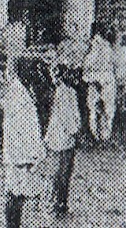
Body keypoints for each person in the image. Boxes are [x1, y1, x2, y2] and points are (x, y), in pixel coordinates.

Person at [4, 56, 48, 228]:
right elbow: (15, 129)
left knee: (19, 194)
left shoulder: (22, 91)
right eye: (31, 71)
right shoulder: (17, 94)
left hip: (23, 154)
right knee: (15, 194)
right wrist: (25, 156)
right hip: (19, 154)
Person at [44, 52, 83, 217]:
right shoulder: (67, 92)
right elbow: (69, 118)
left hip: (58, 136)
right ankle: (60, 204)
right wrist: (76, 131)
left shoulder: (61, 91)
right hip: (65, 137)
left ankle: (59, 203)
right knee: (64, 172)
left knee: (60, 172)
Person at [82, 24, 117, 144]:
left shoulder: (92, 47)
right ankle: (103, 135)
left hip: (96, 81)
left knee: (95, 109)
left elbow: (86, 65)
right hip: (104, 81)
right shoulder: (104, 47)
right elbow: (111, 65)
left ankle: (97, 135)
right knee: (106, 110)